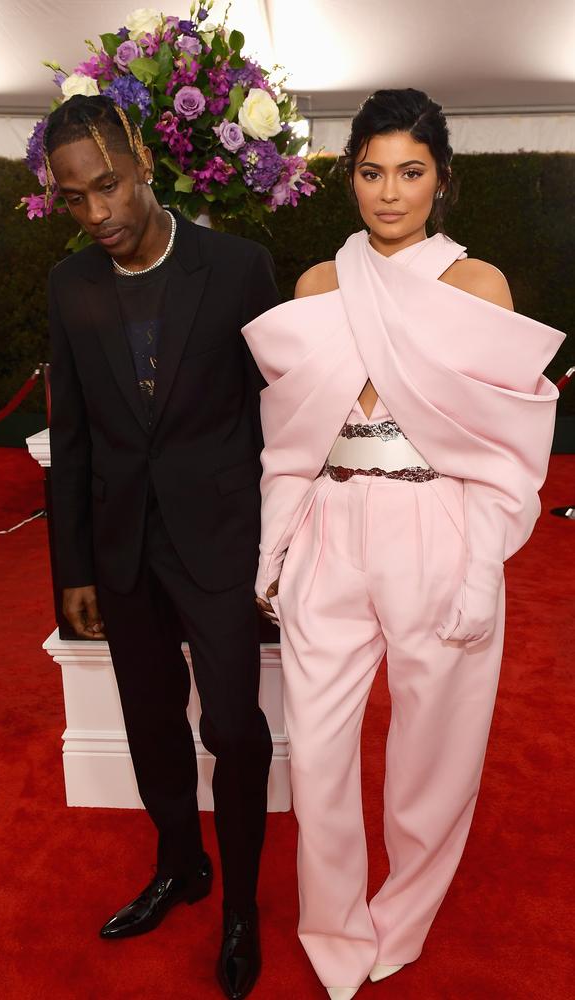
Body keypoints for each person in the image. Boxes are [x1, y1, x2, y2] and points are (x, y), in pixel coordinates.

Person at [242, 89, 564, 998]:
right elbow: (291, 442)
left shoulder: (477, 286)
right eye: (373, 171)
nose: (390, 193)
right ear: (350, 177)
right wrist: (276, 547)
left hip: (437, 524)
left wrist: (479, 558)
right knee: (316, 747)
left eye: (411, 173)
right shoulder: (316, 286)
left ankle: (405, 916)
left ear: (442, 181)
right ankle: (334, 924)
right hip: (335, 526)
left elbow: (507, 446)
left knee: (437, 748)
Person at [45, 94, 280, 1000]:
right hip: (121, 549)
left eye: (107, 185)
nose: (97, 213)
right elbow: (75, 438)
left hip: (219, 542)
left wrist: (277, 548)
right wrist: (72, 569)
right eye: (75, 198)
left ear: (141, 156)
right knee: (151, 722)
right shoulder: (70, 286)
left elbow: (278, 418)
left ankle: (242, 911)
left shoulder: (237, 266)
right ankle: (180, 865)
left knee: (233, 729)